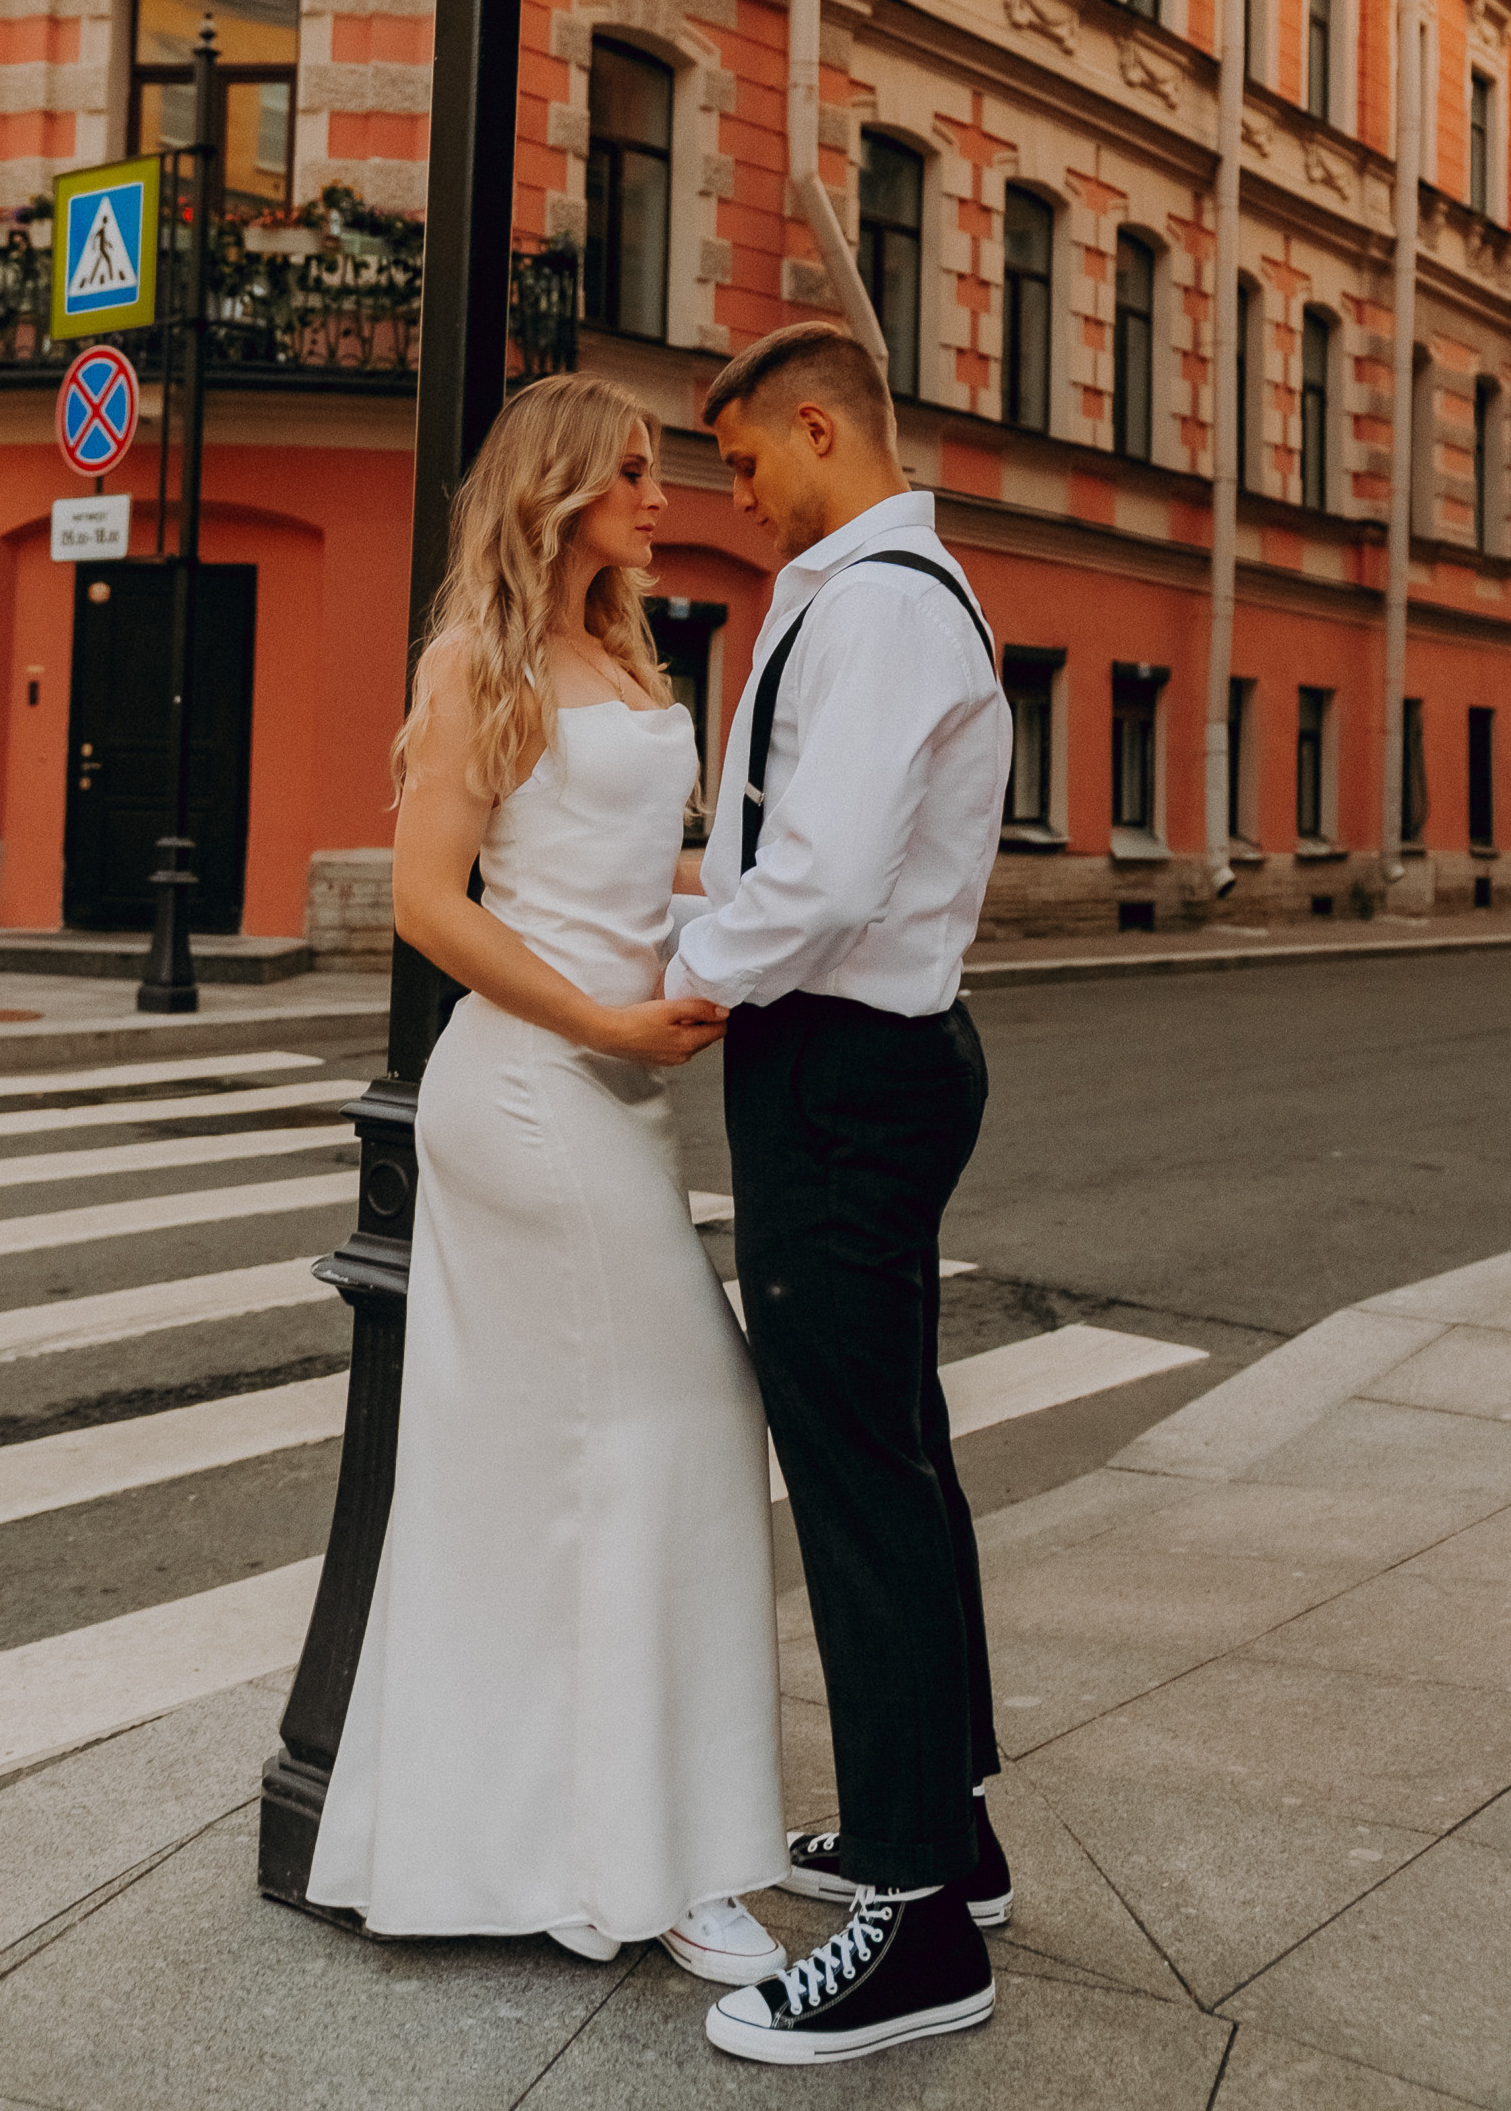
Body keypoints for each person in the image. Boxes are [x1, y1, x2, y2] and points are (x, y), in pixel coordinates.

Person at [307, 373, 791, 1986]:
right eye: (637, 474)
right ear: (559, 491)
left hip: (615, 1087)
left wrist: (811, 880)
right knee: (689, 1424)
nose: (666, 496)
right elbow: (431, 905)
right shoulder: (478, 661)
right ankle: (661, 1860)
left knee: (565, 1476)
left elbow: (626, 861)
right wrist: (602, 1021)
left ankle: (570, 1839)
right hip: (525, 1091)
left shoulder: (629, 657)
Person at [663, 321, 1014, 2068]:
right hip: (875, 1059)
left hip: (839, 1067)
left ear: (820, 426)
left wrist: (684, 971)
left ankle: (917, 1918)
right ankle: (949, 1828)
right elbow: (795, 847)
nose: (737, 496)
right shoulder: (888, 588)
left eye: (745, 464)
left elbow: (819, 874)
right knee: (900, 1449)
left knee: (860, 1476)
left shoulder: (875, 605)